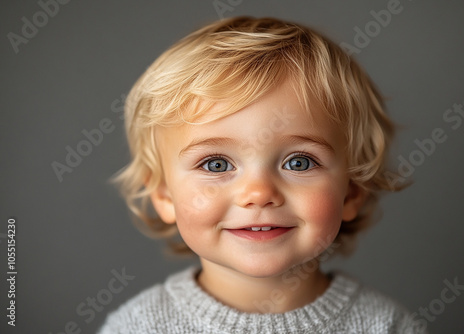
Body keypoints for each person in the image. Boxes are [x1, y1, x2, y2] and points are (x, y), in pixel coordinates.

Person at [98, 16, 424, 333]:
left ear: (352, 190)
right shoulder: (137, 326)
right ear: (164, 194)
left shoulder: (385, 325)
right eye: (216, 164)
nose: (259, 192)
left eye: (299, 162)